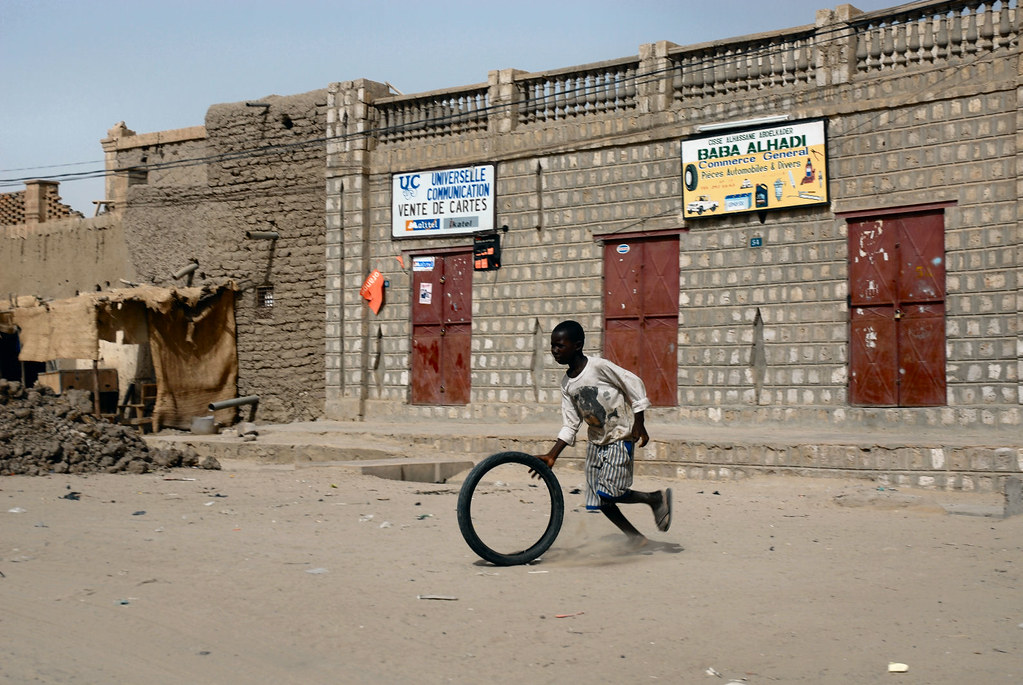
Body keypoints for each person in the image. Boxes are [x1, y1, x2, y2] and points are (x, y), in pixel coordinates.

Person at [534, 320, 671, 547]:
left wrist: (640, 421)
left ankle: (654, 498)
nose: (554, 351)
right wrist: (552, 455)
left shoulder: (598, 367)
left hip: (619, 434)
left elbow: (632, 383)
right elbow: (570, 423)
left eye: (560, 346)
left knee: (611, 492)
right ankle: (637, 538)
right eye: (552, 346)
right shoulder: (567, 383)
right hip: (597, 441)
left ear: (577, 345)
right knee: (599, 499)